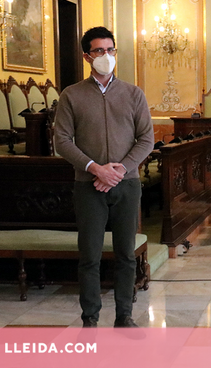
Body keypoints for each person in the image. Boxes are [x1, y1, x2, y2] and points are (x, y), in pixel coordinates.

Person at [54, 26, 154, 328]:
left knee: (125, 254)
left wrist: (119, 169)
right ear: (87, 56)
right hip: (88, 186)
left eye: (110, 50)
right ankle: (90, 318)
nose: (106, 56)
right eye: (99, 51)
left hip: (127, 184)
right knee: (90, 256)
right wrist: (96, 168)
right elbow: (62, 141)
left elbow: (146, 139)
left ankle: (124, 315)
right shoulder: (71, 95)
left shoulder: (133, 94)